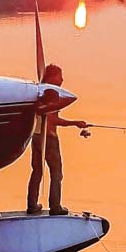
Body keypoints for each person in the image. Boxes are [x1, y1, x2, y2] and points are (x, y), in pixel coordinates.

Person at [26, 63, 87, 216]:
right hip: (49, 139)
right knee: (56, 173)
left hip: (36, 136)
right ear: (52, 77)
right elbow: (52, 120)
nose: (62, 80)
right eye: (60, 76)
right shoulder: (52, 93)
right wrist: (75, 123)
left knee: (37, 171)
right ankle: (55, 207)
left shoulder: (40, 93)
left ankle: (32, 205)